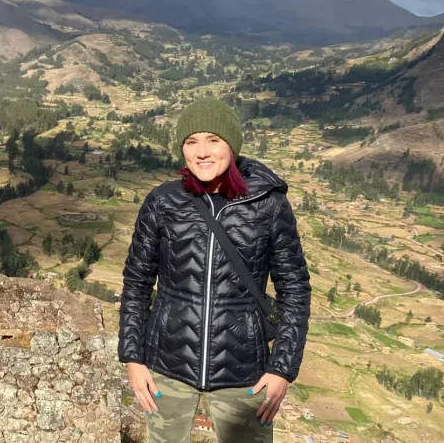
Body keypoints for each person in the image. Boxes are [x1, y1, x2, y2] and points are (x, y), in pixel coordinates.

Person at [118, 98, 311, 442]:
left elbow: (294, 289)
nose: (202, 152)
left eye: (213, 140)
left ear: (231, 146)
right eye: (191, 142)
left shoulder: (268, 204)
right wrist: (133, 357)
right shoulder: (163, 202)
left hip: (244, 375)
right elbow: (137, 283)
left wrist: (282, 368)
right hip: (165, 368)